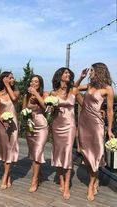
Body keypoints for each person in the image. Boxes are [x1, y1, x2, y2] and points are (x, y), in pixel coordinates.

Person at [77, 62, 114, 201]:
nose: (90, 72)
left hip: (97, 124)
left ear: (98, 71)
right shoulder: (88, 86)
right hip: (84, 123)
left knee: (96, 155)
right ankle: (95, 178)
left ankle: (91, 185)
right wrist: (81, 77)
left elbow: (110, 111)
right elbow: (74, 89)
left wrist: (109, 129)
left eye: (91, 70)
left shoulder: (108, 89)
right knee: (86, 156)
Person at [50, 67, 82, 200]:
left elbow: (85, 106)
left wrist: (98, 112)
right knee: (58, 153)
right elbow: (50, 113)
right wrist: (50, 108)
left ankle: (67, 185)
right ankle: (61, 179)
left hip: (70, 126)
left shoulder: (74, 90)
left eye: (69, 73)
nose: (68, 74)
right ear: (59, 76)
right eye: (65, 73)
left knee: (68, 154)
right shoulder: (52, 93)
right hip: (57, 125)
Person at [22, 74, 48, 192]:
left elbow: (45, 107)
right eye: (32, 81)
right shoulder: (26, 96)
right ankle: (39, 174)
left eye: (36, 82)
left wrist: (37, 95)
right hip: (30, 126)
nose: (33, 83)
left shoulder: (44, 94)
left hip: (41, 125)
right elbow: (22, 111)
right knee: (33, 153)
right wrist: (26, 115)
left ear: (40, 84)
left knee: (38, 151)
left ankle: (34, 180)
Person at [0, 71, 20, 189]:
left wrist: (8, 85)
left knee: (11, 149)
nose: (11, 79)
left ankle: (5, 176)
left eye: (12, 77)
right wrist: (2, 121)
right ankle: (8, 175)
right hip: (2, 124)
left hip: (13, 124)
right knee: (5, 150)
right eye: (9, 77)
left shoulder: (16, 92)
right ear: (3, 79)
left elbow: (14, 98)